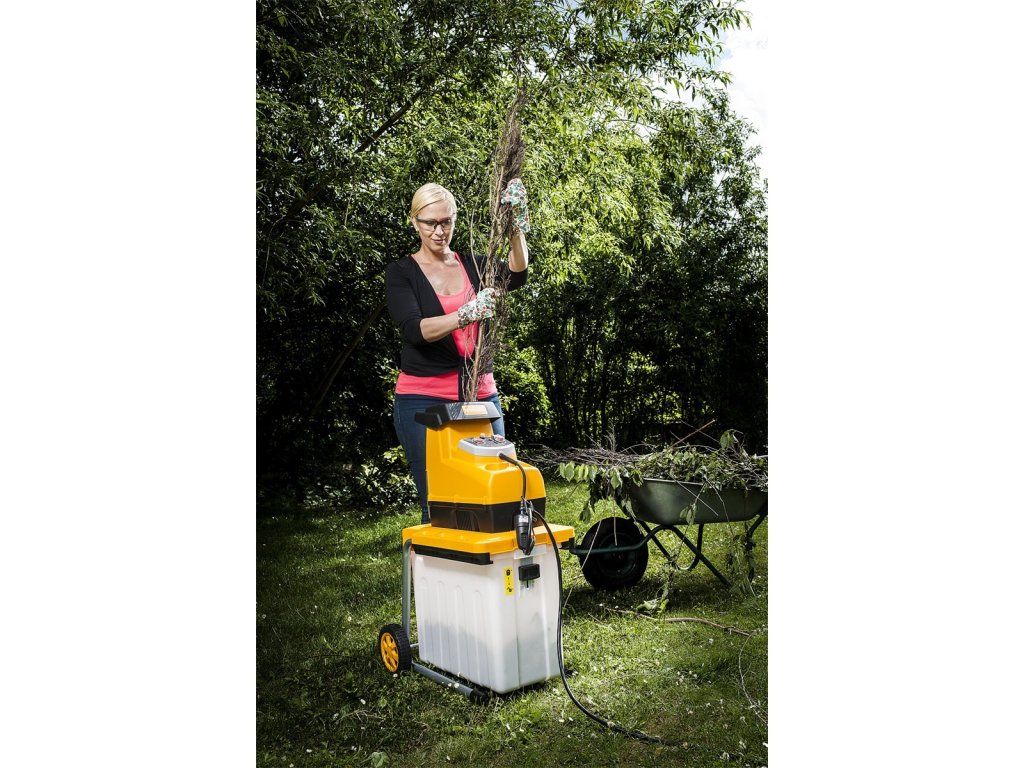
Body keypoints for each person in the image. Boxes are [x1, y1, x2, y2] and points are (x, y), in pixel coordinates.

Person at [385, 181, 530, 524]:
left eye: (446, 222)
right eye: (430, 223)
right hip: (423, 399)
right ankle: (433, 560)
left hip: (480, 395)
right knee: (438, 502)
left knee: (495, 489)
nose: (439, 231)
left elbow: (517, 274)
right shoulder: (401, 273)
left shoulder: (473, 266)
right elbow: (415, 330)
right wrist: (467, 313)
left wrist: (515, 227)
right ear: (414, 222)